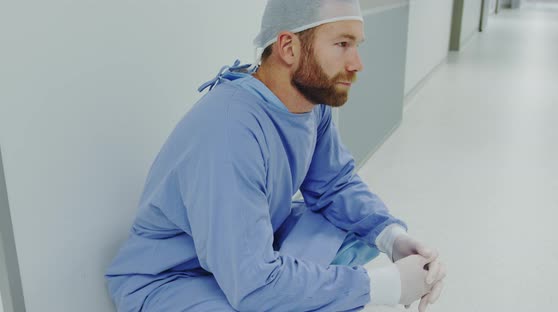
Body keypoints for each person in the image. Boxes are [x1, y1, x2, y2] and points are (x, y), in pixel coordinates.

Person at [106, 0, 446, 311]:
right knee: (271, 293)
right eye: (342, 44)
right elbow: (251, 282)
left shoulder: (311, 105)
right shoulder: (229, 131)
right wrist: (382, 286)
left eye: (357, 46)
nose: (356, 64)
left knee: (344, 222)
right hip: (173, 280)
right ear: (288, 47)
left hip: (242, 256)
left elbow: (335, 184)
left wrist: (392, 239)